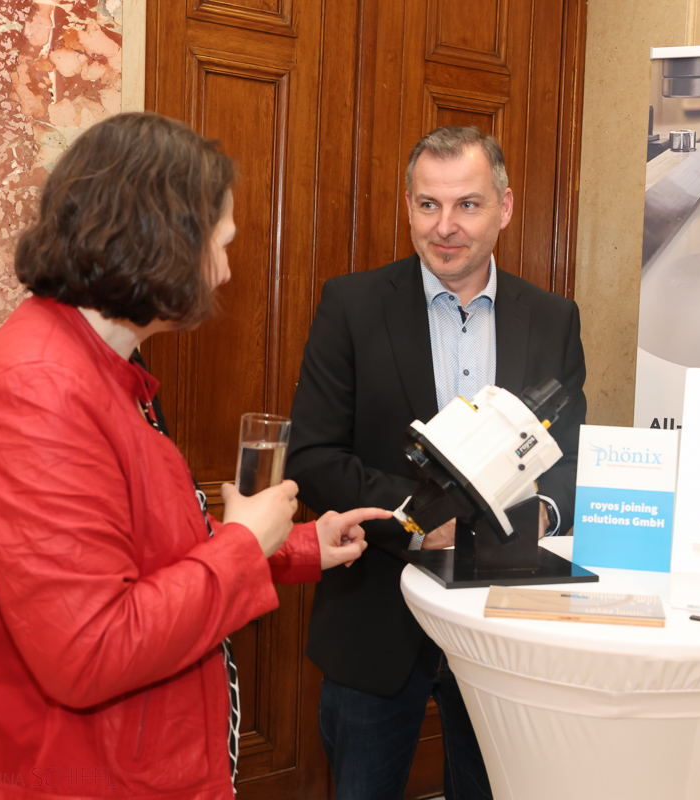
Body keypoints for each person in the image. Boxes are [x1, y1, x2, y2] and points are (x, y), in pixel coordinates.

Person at [0, 112, 389, 799]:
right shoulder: (40, 388)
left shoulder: (100, 366)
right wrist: (245, 544)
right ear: (161, 242)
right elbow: (89, 650)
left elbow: (134, 543)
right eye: (220, 245)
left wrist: (297, 545)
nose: (226, 271)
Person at [285, 125, 587, 799]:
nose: (444, 226)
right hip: (374, 622)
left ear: (505, 207)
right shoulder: (351, 306)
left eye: (467, 205)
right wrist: (423, 521)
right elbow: (312, 455)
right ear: (409, 206)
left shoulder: (553, 318)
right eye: (428, 204)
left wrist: (538, 514)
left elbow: (569, 461)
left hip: (505, 627)